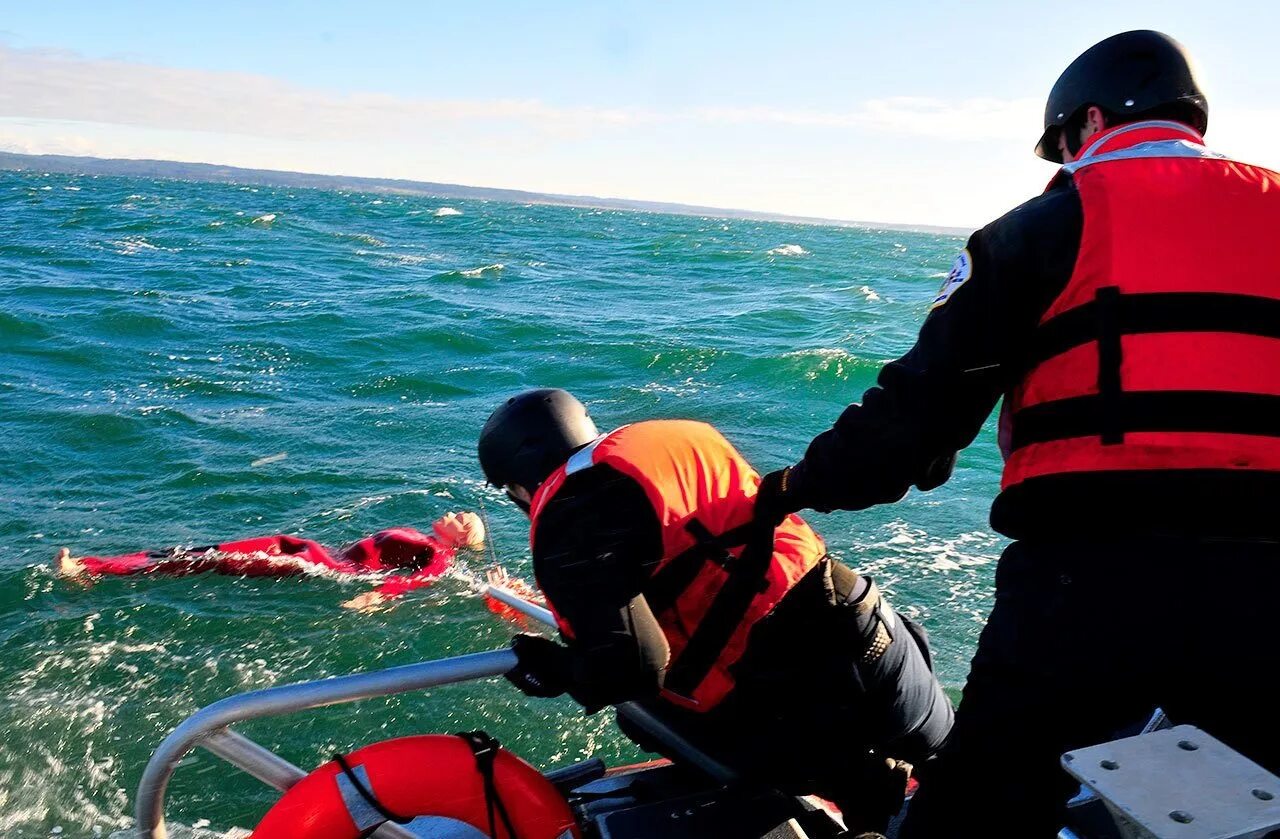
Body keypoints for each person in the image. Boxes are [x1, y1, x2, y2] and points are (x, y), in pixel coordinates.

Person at [751, 30, 1280, 836]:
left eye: (1063, 144)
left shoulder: (1037, 230)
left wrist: (793, 488)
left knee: (982, 805)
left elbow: (916, 415)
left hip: (1091, 578)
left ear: (1090, 120)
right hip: (1271, 589)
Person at [478, 388, 953, 833]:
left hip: (799, 693)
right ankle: (866, 779)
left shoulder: (570, 515)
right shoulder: (677, 437)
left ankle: (844, 779)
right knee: (961, 774)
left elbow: (632, 670)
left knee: (637, 712)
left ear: (519, 484)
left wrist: (556, 670)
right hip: (871, 632)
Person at [56, 511, 485, 610]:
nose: (452, 514)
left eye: (460, 518)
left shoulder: (439, 553)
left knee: (203, 561)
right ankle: (95, 566)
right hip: (304, 548)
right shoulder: (424, 536)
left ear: (461, 537)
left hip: (316, 565)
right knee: (205, 552)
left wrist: (376, 596)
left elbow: (425, 579)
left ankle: (93, 572)